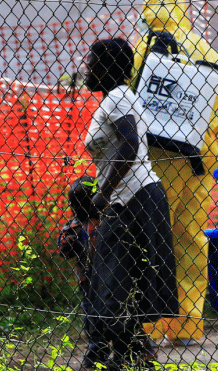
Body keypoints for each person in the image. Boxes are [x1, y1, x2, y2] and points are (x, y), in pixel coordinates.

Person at [132, 0, 218, 346]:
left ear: (149, 12)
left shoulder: (142, 49)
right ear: (184, 10)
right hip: (198, 159)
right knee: (190, 241)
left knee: (147, 239)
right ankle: (187, 326)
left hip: (153, 160)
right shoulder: (205, 49)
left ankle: (144, 327)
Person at [82, 37, 178, 369]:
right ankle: (135, 356)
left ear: (108, 67)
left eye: (92, 61)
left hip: (134, 200)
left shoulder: (119, 96)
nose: (86, 66)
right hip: (129, 200)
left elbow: (130, 145)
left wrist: (101, 195)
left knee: (111, 284)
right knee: (123, 284)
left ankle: (126, 356)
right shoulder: (114, 98)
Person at [57, 176, 107, 368]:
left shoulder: (107, 221)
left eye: (84, 202)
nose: (77, 209)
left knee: (118, 314)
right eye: (73, 204)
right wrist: (70, 245)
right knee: (92, 317)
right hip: (88, 280)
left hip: (113, 278)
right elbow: (64, 250)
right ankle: (97, 351)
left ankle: (129, 348)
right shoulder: (73, 226)